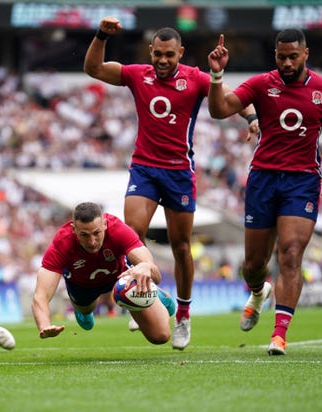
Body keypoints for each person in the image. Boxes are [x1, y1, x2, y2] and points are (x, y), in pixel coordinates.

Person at [83, 16, 257, 350]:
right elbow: (94, 68)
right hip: (145, 169)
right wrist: (102, 35)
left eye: (170, 55)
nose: (163, 61)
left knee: (181, 248)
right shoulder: (137, 74)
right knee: (130, 237)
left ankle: (184, 317)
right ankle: (140, 298)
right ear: (151, 51)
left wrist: (250, 118)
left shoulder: (195, 79)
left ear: (181, 53)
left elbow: (231, 99)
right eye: (158, 54)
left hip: (179, 172)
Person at [207, 29, 322, 355]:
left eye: (292, 56)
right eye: (280, 56)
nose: (285, 62)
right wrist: (216, 75)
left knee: (292, 253)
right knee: (253, 264)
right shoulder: (260, 84)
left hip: (302, 181)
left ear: (305, 54)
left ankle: (279, 334)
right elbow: (219, 109)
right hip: (263, 179)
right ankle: (257, 292)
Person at [32, 202, 176, 345]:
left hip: (121, 279)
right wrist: (44, 325)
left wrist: (147, 267)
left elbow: (156, 274)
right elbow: (41, 294)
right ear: (73, 229)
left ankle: (153, 293)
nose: (92, 241)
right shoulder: (62, 243)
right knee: (86, 316)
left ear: (105, 225)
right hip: (81, 285)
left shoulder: (118, 229)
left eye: (96, 233)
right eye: (84, 235)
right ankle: (83, 310)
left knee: (160, 336)